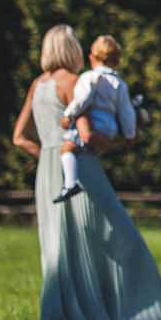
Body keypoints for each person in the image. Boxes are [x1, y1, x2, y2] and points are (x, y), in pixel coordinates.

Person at [11, 25, 161, 320]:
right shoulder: (73, 83)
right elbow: (87, 136)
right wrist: (125, 141)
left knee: (59, 249)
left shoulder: (37, 84)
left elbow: (19, 137)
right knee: (117, 238)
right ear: (72, 50)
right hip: (81, 170)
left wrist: (49, 156)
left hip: (47, 173)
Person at [56, 33, 134, 203]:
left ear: (92, 57)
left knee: (67, 148)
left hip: (94, 124)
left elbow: (82, 99)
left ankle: (70, 184)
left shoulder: (89, 77)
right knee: (88, 152)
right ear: (117, 60)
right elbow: (127, 111)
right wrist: (130, 135)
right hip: (109, 127)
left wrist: (68, 115)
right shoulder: (119, 83)